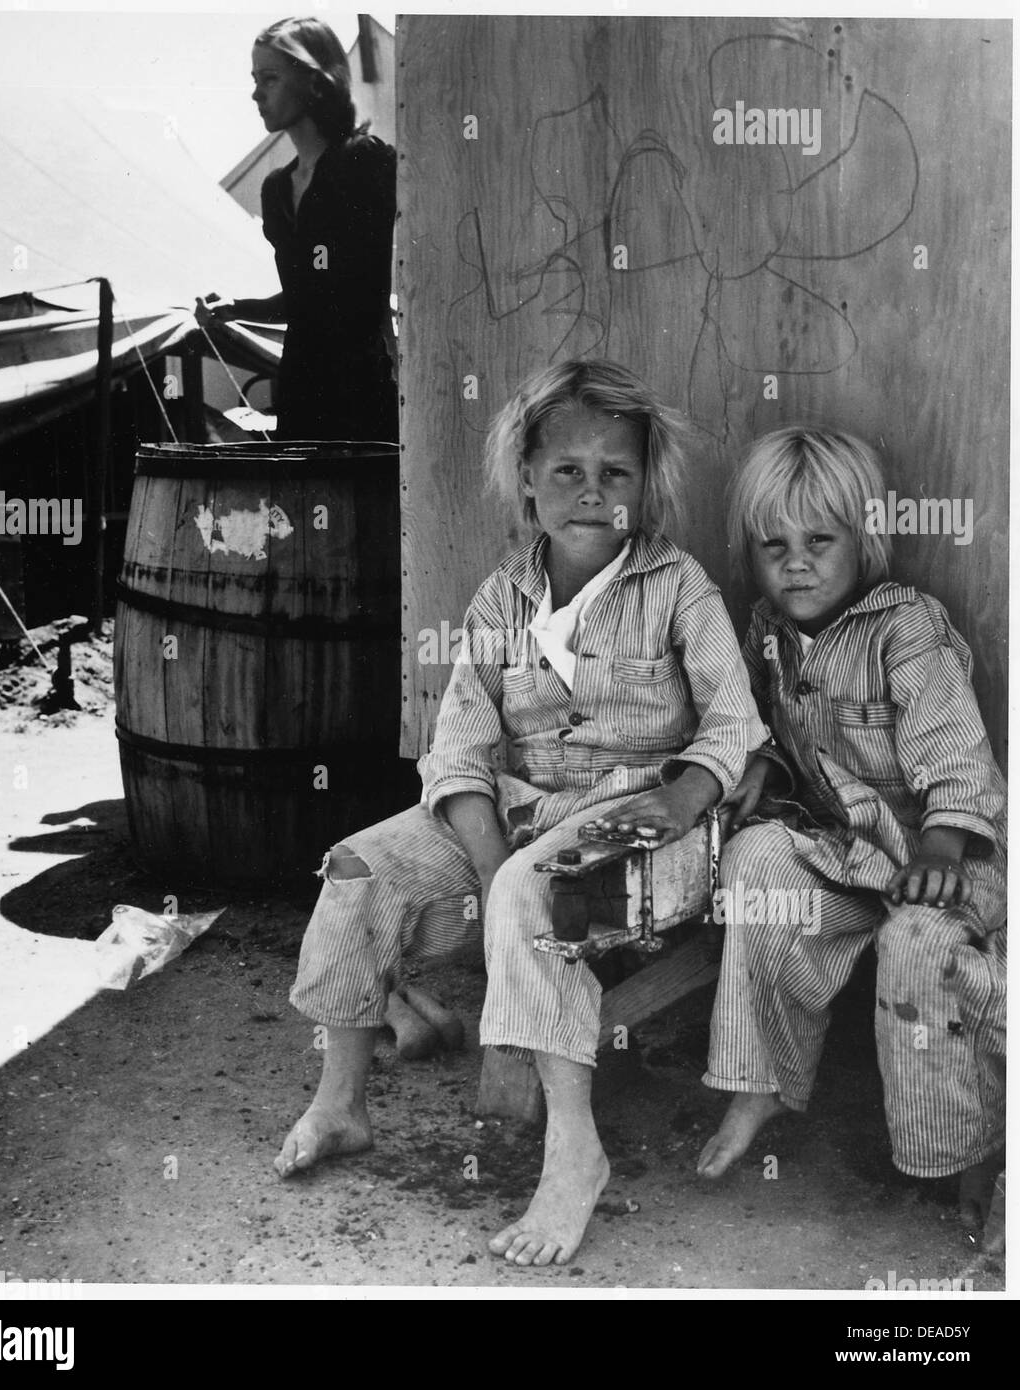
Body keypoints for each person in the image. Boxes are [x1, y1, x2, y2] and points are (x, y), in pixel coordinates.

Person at [275, 358, 767, 1267]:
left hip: (642, 821)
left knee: (534, 895)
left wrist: (683, 795)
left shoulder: (678, 588)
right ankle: (341, 1102)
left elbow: (734, 721)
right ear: (527, 481)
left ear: (644, 485)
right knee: (358, 865)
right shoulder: (502, 597)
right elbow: (457, 751)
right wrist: (492, 854)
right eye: (566, 471)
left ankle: (574, 1150)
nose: (590, 492)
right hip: (512, 817)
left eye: (614, 473)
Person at [697, 427, 1006, 1238]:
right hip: (847, 855)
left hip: (946, 861)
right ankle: (758, 1081)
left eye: (819, 541)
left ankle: (969, 1150)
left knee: (915, 948)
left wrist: (945, 841)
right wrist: (760, 761)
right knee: (756, 857)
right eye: (774, 545)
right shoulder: (764, 632)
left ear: (863, 541)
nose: (795, 563)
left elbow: (951, 742)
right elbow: (750, 720)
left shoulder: (904, 626)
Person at [197, 17, 397, 442]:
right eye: (255, 79)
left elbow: (358, 297)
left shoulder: (364, 161)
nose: (256, 93)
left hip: (360, 389)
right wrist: (238, 307)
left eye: (269, 78)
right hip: (303, 386)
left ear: (314, 81)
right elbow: (306, 301)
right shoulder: (275, 188)